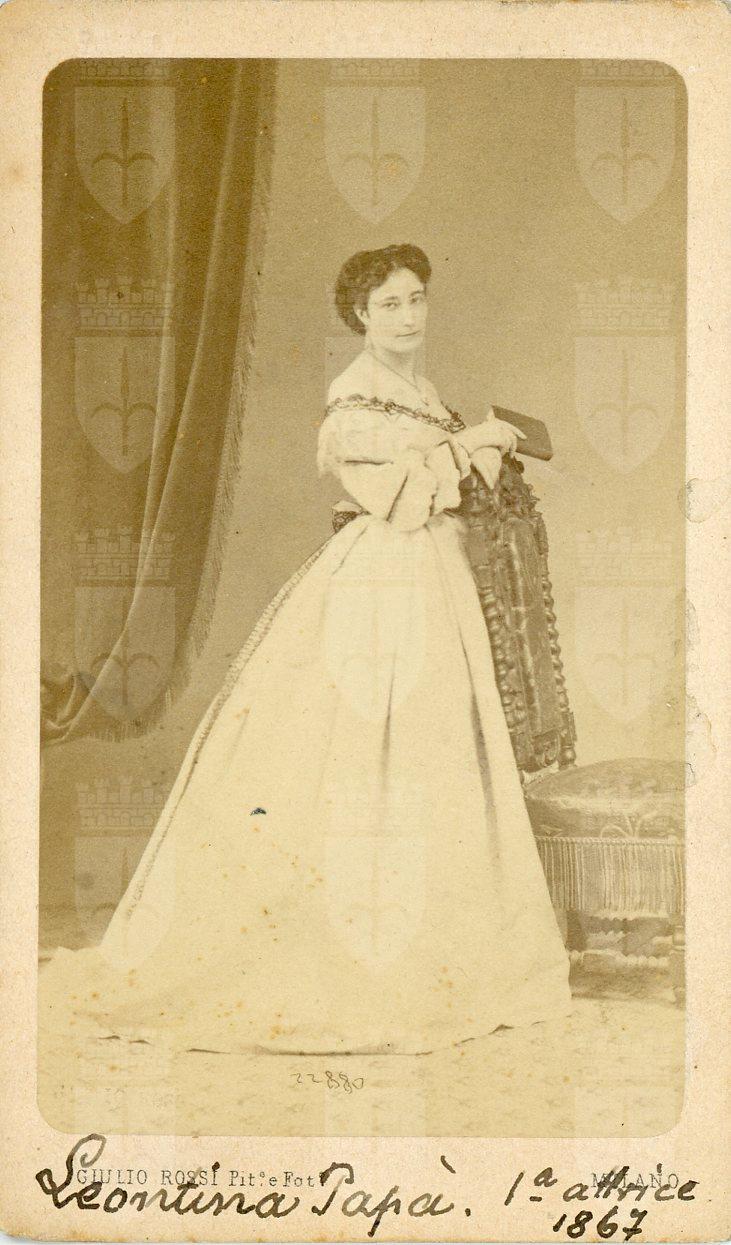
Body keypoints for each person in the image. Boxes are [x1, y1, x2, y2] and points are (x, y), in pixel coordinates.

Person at [39, 243, 571, 1056]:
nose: (407, 316)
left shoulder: (424, 395)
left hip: (439, 581)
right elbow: (398, 501)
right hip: (382, 585)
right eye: (388, 304)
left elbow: (451, 490)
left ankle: (441, 955)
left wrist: (481, 451)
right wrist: (472, 447)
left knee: (435, 753)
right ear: (358, 315)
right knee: (362, 755)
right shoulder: (351, 405)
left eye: (416, 299)